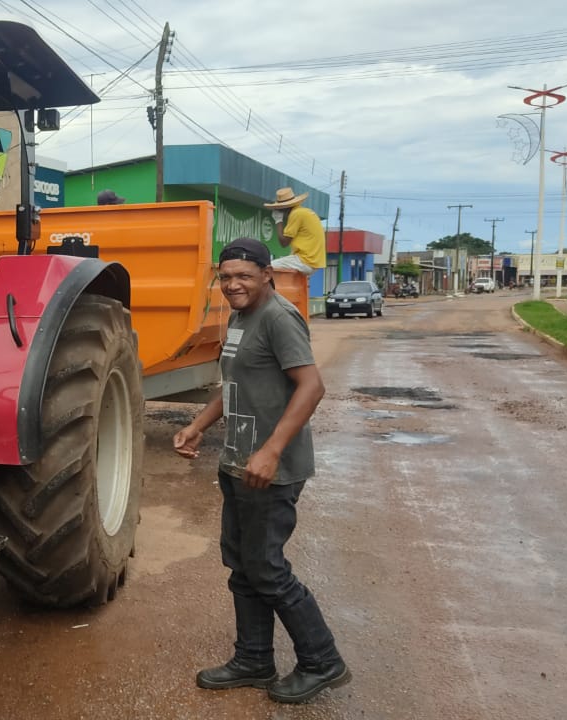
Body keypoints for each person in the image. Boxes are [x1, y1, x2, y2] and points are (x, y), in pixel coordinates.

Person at [173, 237, 350, 704]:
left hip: (272, 469)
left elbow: (311, 387)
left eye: (244, 276)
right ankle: (253, 658)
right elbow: (232, 386)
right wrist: (196, 426)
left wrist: (271, 451)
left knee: (267, 568)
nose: (233, 284)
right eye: (226, 276)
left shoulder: (278, 317)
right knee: (242, 566)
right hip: (237, 461)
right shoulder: (239, 318)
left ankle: (322, 660)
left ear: (267, 275)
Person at [265, 187, 326, 275]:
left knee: (267, 268)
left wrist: (278, 221)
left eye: (279, 208)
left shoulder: (296, 214)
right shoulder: (306, 212)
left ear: (284, 208)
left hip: (305, 260)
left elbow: (284, 243)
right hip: (313, 261)